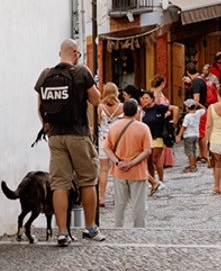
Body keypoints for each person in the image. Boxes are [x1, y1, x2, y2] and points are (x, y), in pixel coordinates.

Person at [34, 39, 104, 246]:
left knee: (59, 184)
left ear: (59, 53)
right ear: (75, 53)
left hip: (55, 136)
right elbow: (96, 99)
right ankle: (90, 227)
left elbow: (39, 105)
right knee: (87, 180)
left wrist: (45, 125)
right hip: (78, 134)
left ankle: (63, 232)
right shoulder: (81, 72)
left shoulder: (46, 75)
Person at [103, 98, 153, 228]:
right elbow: (147, 151)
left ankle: (118, 228)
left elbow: (107, 148)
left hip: (119, 171)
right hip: (138, 172)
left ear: (123, 111)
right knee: (139, 206)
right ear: (137, 111)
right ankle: (139, 229)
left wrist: (118, 162)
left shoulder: (114, 127)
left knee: (120, 204)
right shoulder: (143, 128)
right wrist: (131, 163)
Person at [96, 83, 123, 207]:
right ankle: (118, 198)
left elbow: (96, 123)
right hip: (118, 139)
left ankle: (101, 198)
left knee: (103, 170)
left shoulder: (100, 107)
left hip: (104, 138)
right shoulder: (121, 107)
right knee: (118, 168)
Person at [139, 90, 168, 195]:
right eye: (143, 98)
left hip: (158, 136)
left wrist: (172, 122)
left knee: (156, 158)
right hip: (147, 138)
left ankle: (161, 180)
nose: (145, 100)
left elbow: (174, 108)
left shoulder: (159, 107)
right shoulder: (143, 110)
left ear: (152, 98)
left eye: (147, 98)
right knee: (148, 161)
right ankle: (153, 182)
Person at [180, 99, 203, 172]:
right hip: (196, 134)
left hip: (188, 135)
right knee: (193, 149)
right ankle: (193, 164)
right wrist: (198, 103)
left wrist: (178, 136)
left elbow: (184, 126)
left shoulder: (187, 116)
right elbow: (205, 109)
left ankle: (192, 166)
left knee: (189, 151)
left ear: (187, 107)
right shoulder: (198, 113)